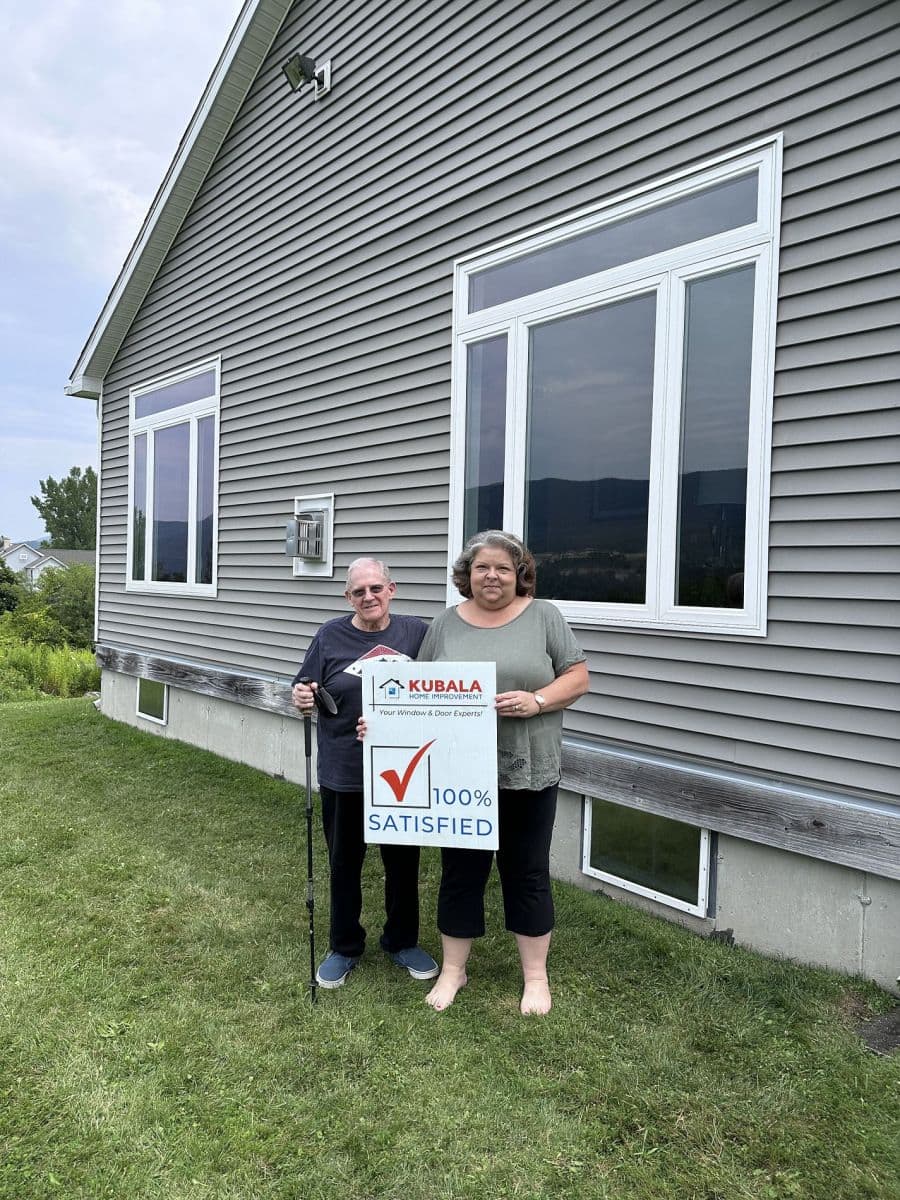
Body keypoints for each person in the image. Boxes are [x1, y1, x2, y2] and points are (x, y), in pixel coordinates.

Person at [415, 530, 588, 1015]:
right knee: (461, 871)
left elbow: (578, 676)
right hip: (460, 773)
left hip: (528, 767)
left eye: (503, 568)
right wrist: (384, 726)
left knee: (527, 870)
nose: (492, 575)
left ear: (520, 575)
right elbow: (417, 689)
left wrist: (538, 700)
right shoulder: (446, 624)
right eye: (481, 567)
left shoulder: (544, 617)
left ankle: (535, 978)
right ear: (466, 576)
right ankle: (454, 971)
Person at [291, 557, 438, 989]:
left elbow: (437, 694)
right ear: (348, 597)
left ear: (391, 589)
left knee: (402, 860)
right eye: (359, 592)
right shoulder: (329, 636)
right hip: (344, 770)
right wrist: (301, 695)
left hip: (402, 771)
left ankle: (401, 941)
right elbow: (305, 687)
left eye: (376, 589)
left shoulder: (417, 633)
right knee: (344, 861)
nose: (369, 597)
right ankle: (344, 945)